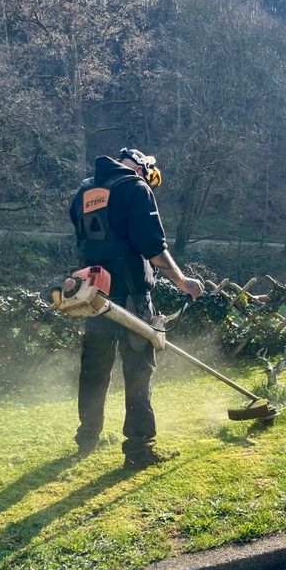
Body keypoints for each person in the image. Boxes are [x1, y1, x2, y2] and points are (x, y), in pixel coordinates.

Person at [69, 147, 203, 469]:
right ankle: (139, 451)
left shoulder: (84, 192)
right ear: (141, 169)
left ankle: (87, 438)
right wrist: (183, 281)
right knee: (138, 372)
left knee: (94, 370)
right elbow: (154, 250)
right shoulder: (135, 188)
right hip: (132, 297)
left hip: (93, 296)